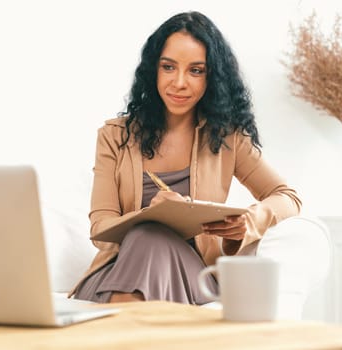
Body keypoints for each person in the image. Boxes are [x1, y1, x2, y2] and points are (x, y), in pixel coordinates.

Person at [71, 11, 301, 304]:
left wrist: (249, 221)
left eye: (196, 70)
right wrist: (149, 217)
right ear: (154, 70)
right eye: (168, 67)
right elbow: (101, 228)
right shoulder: (115, 136)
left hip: (188, 275)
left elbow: (288, 197)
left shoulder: (228, 138)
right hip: (119, 267)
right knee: (147, 235)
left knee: (150, 239)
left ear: (212, 78)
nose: (179, 82)